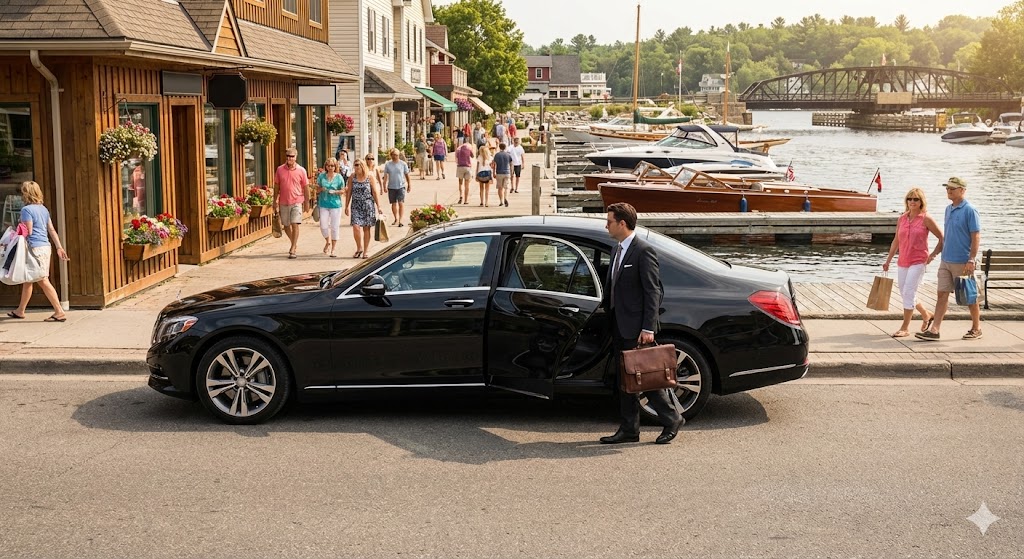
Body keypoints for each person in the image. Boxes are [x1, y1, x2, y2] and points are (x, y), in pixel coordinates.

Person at [600, 202, 684, 445]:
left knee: (645, 378)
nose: (607, 225)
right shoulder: (617, 249)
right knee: (626, 381)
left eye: (610, 221)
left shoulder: (642, 251)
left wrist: (648, 328)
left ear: (622, 224)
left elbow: (653, 291)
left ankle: (671, 418)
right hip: (619, 323)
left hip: (636, 328)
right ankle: (629, 429)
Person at [916, 177, 982, 341]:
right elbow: (947, 237)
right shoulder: (948, 209)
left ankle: (976, 328)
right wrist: (934, 254)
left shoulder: (970, 210)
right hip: (946, 260)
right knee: (942, 294)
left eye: (953, 188)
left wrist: (972, 259)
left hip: (963, 262)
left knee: (970, 297)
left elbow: (976, 236)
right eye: (947, 188)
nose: (949, 191)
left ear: (962, 190)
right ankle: (935, 330)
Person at [882, 187, 943, 338]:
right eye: (909, 199)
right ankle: (926, 314)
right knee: (904, 292)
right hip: (903, 260)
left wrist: (933, 255)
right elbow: (896, 240)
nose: (912, 202)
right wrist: (888, 260)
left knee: (909, 291)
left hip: (918, 260)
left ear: (921, 201)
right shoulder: (902, 218)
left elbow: (942, 238)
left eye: (915, 199)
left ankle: (905, 327)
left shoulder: (926, 218)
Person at [6, 181, 70, 322]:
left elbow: (27, 231)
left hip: (34, 248)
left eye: (23, 191)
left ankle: (59, 311)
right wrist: (59, 247)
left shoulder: (26, 210)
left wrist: (13, 234)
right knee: (28, 279)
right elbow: (51, 230)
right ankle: (20, 310)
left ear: (26, 193)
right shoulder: (43, 209)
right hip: (45, 247)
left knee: (42, 279)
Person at [344, 158, 386, 259]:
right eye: (355, 165)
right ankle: (359, 247)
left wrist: (379, 206)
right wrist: (346, 206)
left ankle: (365, 251)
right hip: (356, 205)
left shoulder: (369, 176)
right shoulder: (352, 177)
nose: (356, 167)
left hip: (368, 205)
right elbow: (349, 192)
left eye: (358, 165)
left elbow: (374, 192)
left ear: (362, 165)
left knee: (366, 229)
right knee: (356, 226)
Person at [273, 147, 308, 259]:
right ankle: (294, 242)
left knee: (295, 224)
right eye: (288, 156)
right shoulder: (279, 170)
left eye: (292, 156)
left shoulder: (301, 170)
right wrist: (274, 201)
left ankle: (292, 248)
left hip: (297, 201)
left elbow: (306, 187)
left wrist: (307, 202)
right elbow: (276, 186)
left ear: (296, 157)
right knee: (286, 226)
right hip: (284, 201)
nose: (289, 158)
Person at [316, 157, 345, 258]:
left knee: (334, 227)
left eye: (332, 166)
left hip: (335, 204)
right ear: (326, 166)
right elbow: (316, 189)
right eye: (328, 166)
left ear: (335, 166)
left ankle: (333, 248)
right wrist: (321, 189)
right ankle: (327, 241)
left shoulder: (339, 177)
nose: (330, 167)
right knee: (323, 225)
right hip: (323, 203)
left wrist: (336, 192)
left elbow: (343, 190)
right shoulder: (321, 176)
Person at [382, 148, 412, 227]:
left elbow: (407, 175)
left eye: (397, 155)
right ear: (391, 155)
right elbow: (385, 176)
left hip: (401, 186)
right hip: (391, 186)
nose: (395, 156)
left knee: (401, 203)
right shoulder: (388, 164)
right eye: (394, 155)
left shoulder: (403, 164)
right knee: (393, 203)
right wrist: (384, 185)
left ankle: (401, 220)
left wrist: (409, 184)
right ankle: (396, 218)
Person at [493, 142, 512, 208]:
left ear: (499, 147)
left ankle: (501, 201)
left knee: (500, 188)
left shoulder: (497, 155)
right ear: (505, 147)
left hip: (499, 172)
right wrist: (511, 172)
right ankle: (506, 197)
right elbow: (511, 164)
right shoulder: (508, 155)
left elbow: (494, 165)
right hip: (507, 172)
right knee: (506, 187)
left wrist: (493, 173)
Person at [455, 140, 474, 205]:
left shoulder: (459, 150)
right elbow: (473, 156)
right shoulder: (469, 149)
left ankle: (461, 196)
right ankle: (466, 200)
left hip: (460, 167)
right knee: (467, 185)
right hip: (467, 167)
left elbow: (456, 157)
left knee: (460, 183)